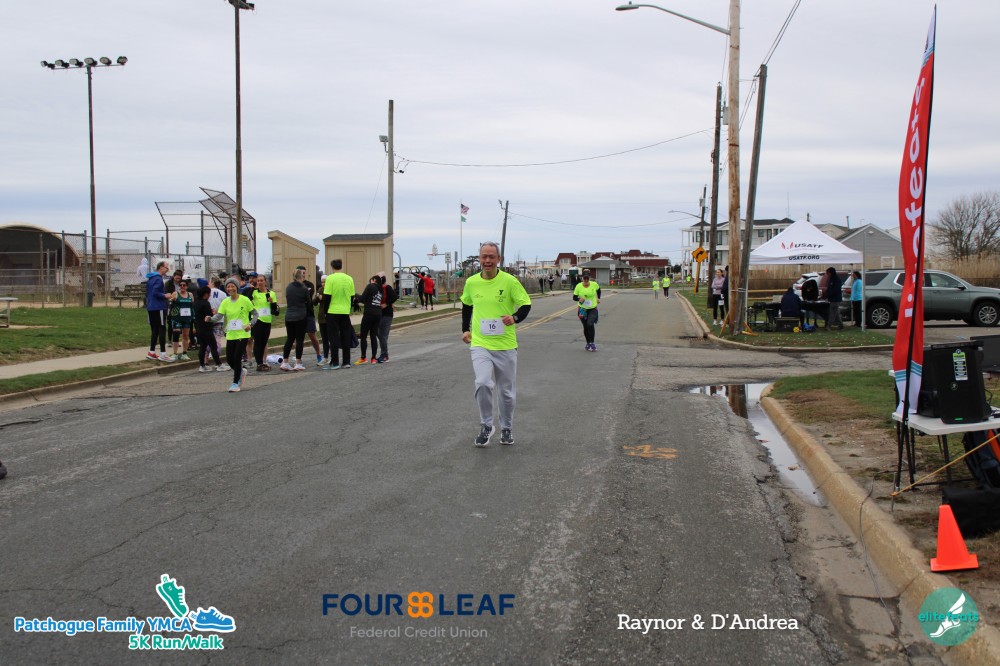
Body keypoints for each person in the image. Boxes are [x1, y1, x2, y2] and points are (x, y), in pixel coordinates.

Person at [461, 242, 531, 448]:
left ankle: (506, 427)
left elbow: (525, 304)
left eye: (492, 257)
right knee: (483, 383)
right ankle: (486, 425)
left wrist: (514, 317)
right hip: (480, 343)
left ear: (498, 259)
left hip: (505, 345)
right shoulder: (472, 282)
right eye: (484, 256)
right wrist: (465, 329)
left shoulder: (509, 281)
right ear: (479, 259)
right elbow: (466, 304)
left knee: (506, 392)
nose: (487, 260)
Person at [218, 277, 254, 392]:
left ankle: (235, 382)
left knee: (237, 357)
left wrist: (250, 324)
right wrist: (210, 319)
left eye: (232, 286)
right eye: (228, 287)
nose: (230, 288)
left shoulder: (244, 300)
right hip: (231, 334)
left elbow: (255, 314)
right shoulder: (225, 301)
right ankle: (241, 371)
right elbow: (219, 316)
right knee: (229, 359)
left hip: (243, 334)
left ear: (237, 287)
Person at [320, 259, 356, 370]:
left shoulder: (330, 279)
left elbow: (327, 297)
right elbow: (352, 296)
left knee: (333, 337)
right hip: (345, 311)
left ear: (332, 267)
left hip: (333, 311)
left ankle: (335, 362)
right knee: (345, 336)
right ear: (341, 266)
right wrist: (348, 308)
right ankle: (346, 362)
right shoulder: (349, 278)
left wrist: (325, 312)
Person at [145, 261, 176, 362]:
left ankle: (151, 351)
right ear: (161, 268)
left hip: (151, 307)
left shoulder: (151, 278)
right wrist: (165, 295)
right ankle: (163, 353)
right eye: (166, 268)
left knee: (155, 329)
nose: (168, 270)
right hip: (158, 307)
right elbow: (155, 292)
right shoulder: (158, 279)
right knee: (162, 328)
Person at [281, 268, 310, 371]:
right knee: (299, 340)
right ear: (301, 277)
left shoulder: (288, 287)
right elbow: (308, 302)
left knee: (290, 339)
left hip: (289, 315)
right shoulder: (304, 288)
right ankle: (298, 363)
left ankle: (285, 362)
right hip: (300, 315)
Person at [193, 286, 226, 372]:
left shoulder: (196, 303)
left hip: (199, 328)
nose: (210, 295)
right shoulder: (206, 303)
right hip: (206, 328)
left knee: (202, 347)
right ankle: (219, 364)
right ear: (205, 294)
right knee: (213, 346)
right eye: (209, 294)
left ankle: (202, 365)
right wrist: (214, 312)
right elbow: (209, 316)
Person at [249, 275, 278, 371]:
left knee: (264, 342)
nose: (259, 282)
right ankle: (259, 363)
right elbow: (247, 298)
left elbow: (275, 310)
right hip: (257, 320)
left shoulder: (271, 293)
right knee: (258, 342)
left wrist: (272, 302)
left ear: (265, 282)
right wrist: (251, 289)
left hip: (267, 320)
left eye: (261, 280)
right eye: (258, 281)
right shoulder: (254, 292)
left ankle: (262, 362)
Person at [354, 275, 384, 364]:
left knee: (363, 336)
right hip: (378, 314)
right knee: (373, 336)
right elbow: (368, 301)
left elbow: (362, 298)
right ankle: (373, 358)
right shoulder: (381, 290)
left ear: (374, 280)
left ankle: (363, 357)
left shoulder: (370, 286)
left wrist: (355, 295)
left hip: (369, 314)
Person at [297, 265, 323, 364]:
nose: (302, 274)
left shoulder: (310, 284)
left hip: (308, 313)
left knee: (311, 333)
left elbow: (308, 296)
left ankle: (319, 354)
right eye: (301, 272)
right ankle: (298, 358)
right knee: (298, 336)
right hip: (298, 313)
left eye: (304, 272)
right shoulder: (294, 285)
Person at [572, 269, 601, 351]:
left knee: (590, 324)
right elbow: (574, 297)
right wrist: (579, 299)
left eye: (587, 278)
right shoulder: (578, 286)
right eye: (584, 278)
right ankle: (588, 343)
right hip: (582, 309)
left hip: (592, 308)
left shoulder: (594, 284)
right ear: (582, 278)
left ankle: (592, 343)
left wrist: (598, 298)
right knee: (585, 326)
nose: (586, 280)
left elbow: (599, 290)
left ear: (589, 278)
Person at [169, 279, 194, 360]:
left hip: (187, 318)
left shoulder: (190, 294)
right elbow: (170, 303)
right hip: (177, 318)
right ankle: (175, 353)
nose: (182, 286)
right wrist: (171, 300)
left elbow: (192, 305)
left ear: (187, 286)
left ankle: (184, 353)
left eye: (184, 285)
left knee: (185, 335)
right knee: (176, 335)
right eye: (180, 285)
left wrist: (193, 316)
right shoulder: (175, 294)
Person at [376, 273, 398, 363]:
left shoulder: (387, 287)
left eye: (377, 278)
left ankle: (385, 355)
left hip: (387, 314)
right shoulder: (377, 288)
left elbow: (395, 296)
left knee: (383, 335)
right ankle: (383, 354)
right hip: (378, 314)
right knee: (379, 334)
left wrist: (386, 304)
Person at [315, 275, 331, 365]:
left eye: (325, 281)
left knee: (331, 338)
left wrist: (323, 297)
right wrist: (317, 297)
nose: (323, 283)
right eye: (322, 282)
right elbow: (314, 302)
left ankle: (333, 357)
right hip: (321, 317)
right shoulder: (320, 289)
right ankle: (325, 358)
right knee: (324, 339)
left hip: (329, 316)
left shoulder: (330, 289)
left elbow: (330, 299)